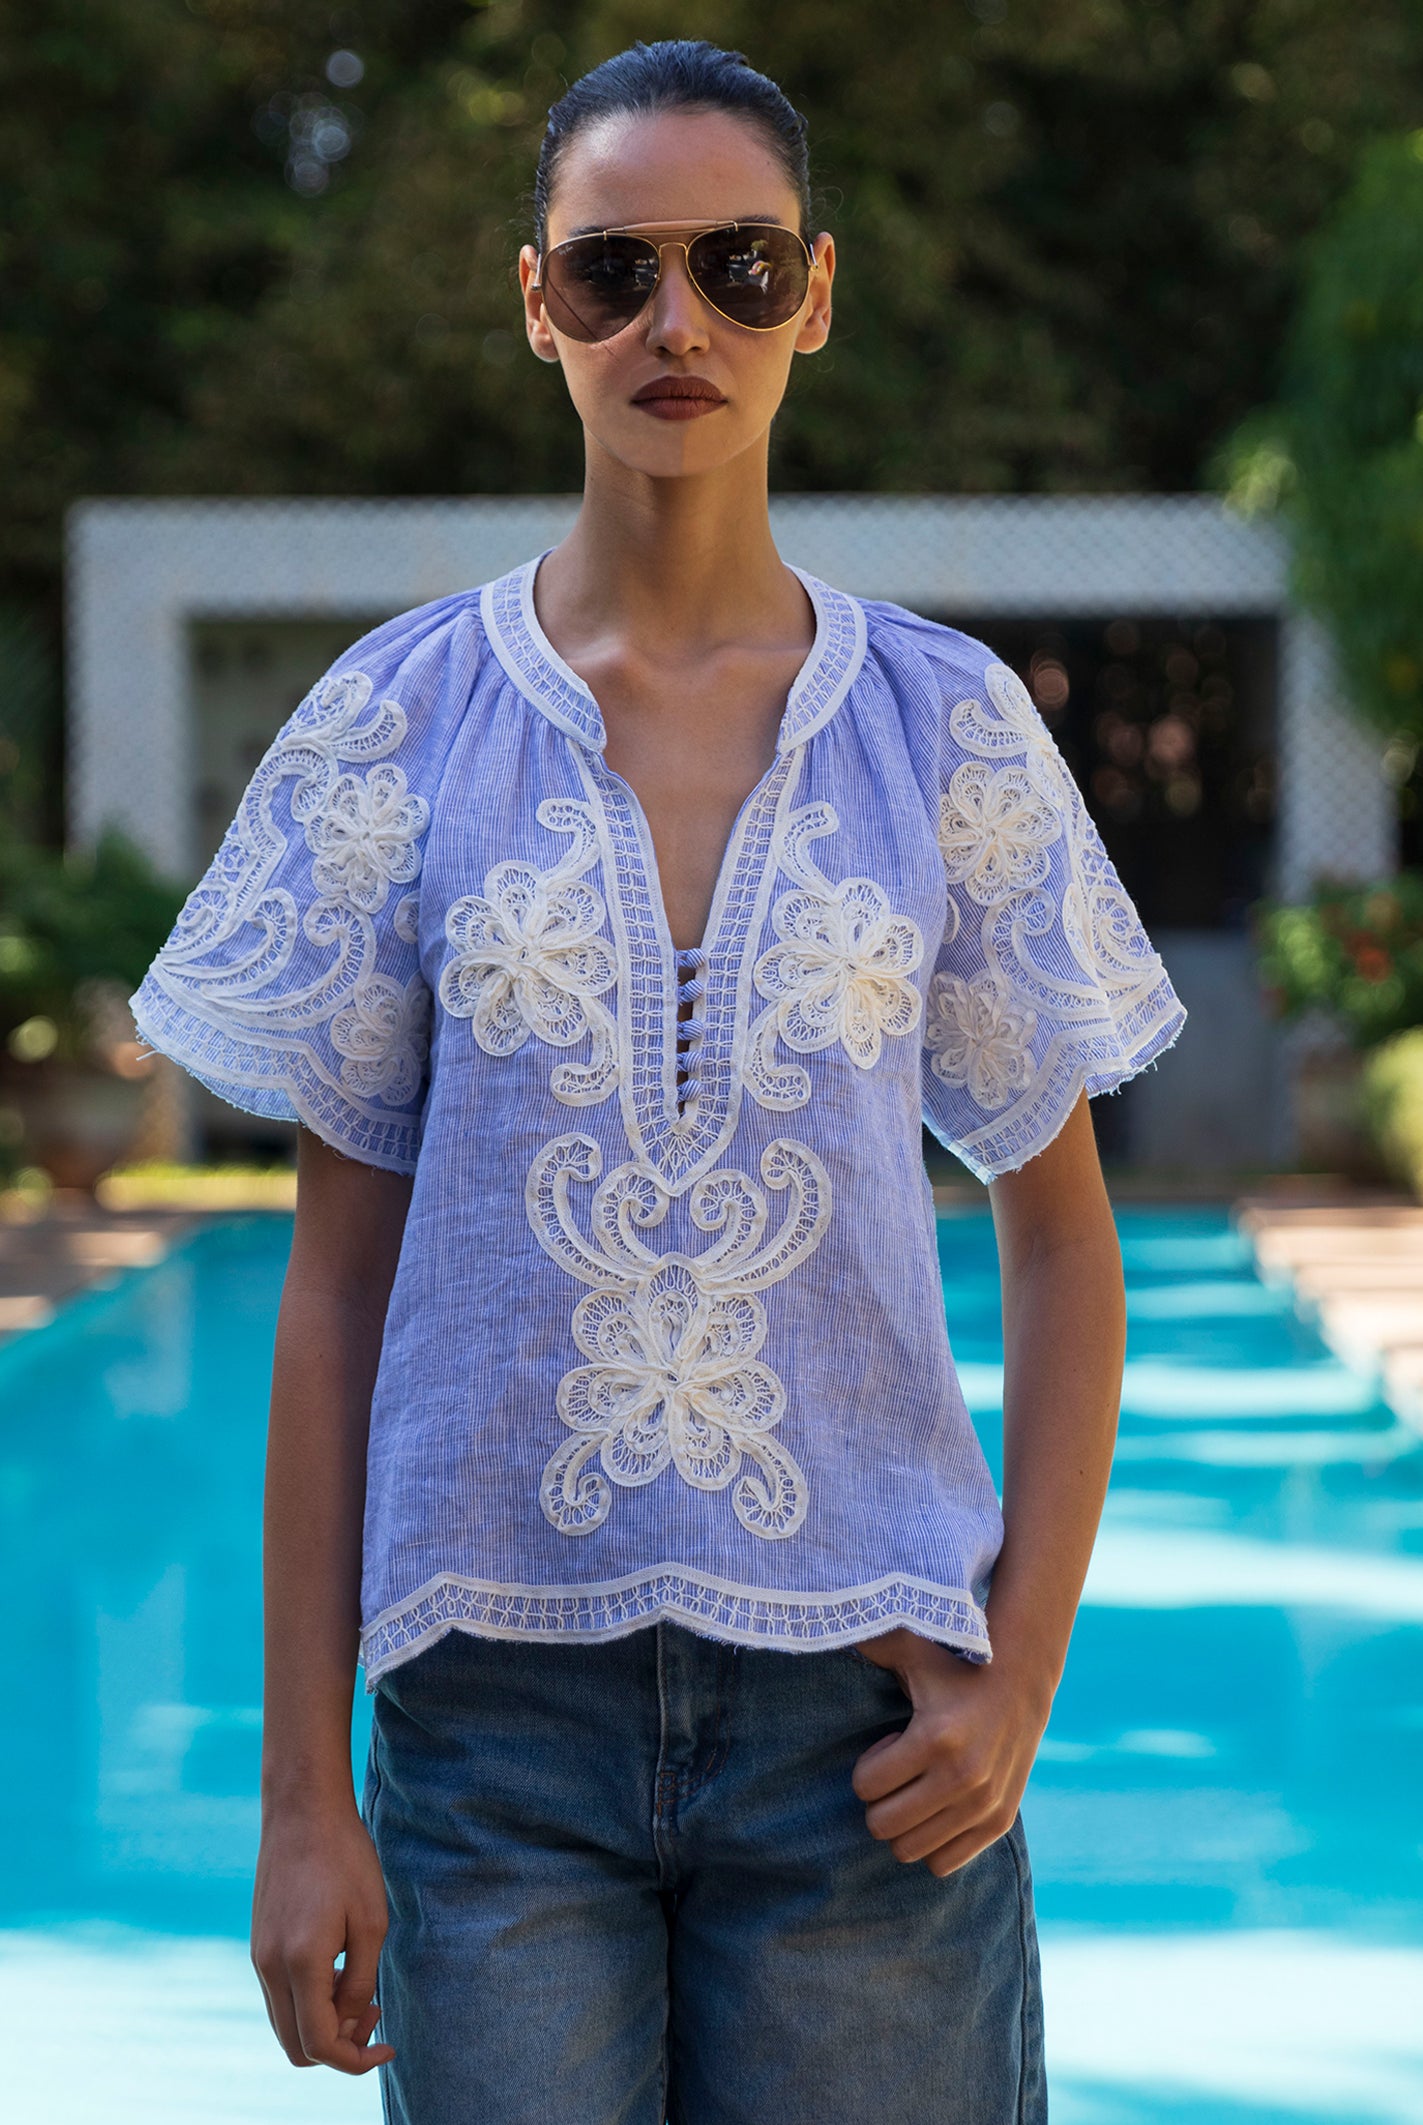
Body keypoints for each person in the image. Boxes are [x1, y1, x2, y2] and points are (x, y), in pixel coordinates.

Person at [131, 38, 1186, 2125]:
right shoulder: (397, 727)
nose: (675, 323)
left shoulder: (945, 731)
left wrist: (1024, 1677)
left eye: (738, 265)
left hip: (868, 1745)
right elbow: (329, 1295)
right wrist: (297, 1797)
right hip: (488, 1752)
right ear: (538, 305)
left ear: (818, 291)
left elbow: (1061, 1232)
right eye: (613, 272)